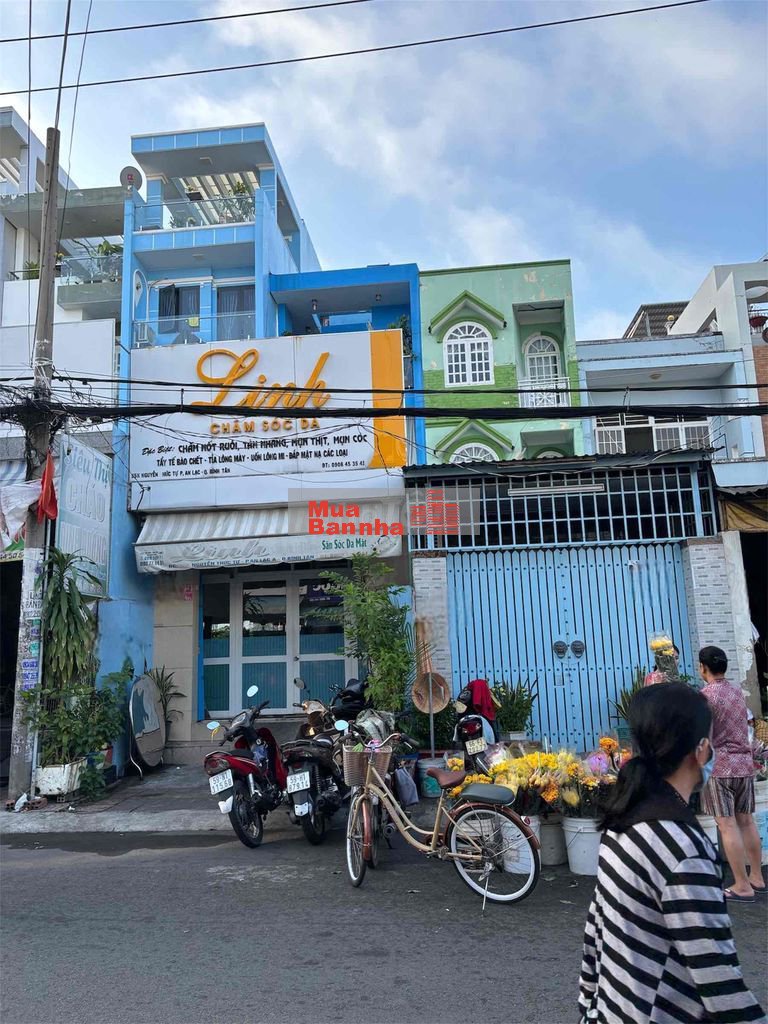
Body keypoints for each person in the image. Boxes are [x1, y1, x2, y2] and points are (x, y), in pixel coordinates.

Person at [578, 683, 765, 1024]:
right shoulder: (684, 849)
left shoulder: (622, 822)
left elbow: (597, 924)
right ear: (701, 749)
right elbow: (716, 975)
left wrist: (588, 1003)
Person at [699, 645, 765, 901]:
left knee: (726, 825)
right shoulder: (737, 691)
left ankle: (741, 886)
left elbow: (704, 735)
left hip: (720, 767)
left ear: (703, 667)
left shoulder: (705, 696)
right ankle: (756, 877)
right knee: (746, 821)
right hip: (744, 765)